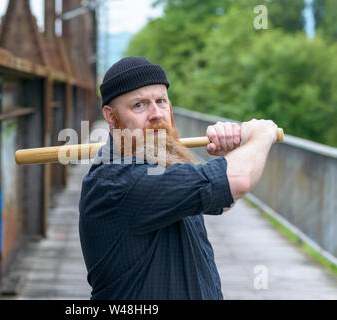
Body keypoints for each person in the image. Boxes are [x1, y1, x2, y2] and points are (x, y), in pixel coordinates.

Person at [78, 57, 279, 300]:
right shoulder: (117, 181)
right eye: (139, 105)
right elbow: (239, 181)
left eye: (161, 101)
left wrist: (229, 156)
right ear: (111, 118)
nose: (156, 115)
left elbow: (223, 200)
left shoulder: (158, 165)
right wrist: (261, 133)